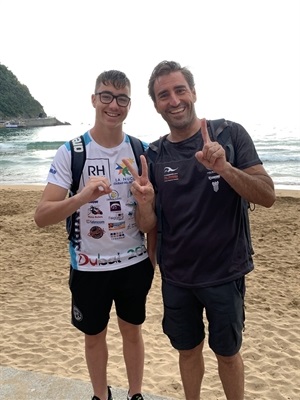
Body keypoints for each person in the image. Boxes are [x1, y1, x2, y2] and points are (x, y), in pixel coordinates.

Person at [123, 61, 276, 400]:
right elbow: (147, 226)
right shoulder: (155, 154)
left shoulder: (229, 134)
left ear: (193, 92)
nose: (174, 100)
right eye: (164, 95)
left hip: (225, 272)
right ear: (156, 104)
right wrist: (145, 201)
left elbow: (267, 196)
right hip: (177, 277)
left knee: (228, 353)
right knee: (188, 351)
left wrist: (225, 167)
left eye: (180, 90)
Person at [34, 70, 155, 400]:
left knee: (132, 331)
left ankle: (135, 394)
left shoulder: (141, 151)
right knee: (93, 336)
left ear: (129, 104)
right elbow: (42, 216)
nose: (113, 105)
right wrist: (80, 198)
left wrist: (146, 203)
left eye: (122, 99)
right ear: (93, 99)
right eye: (106, 96)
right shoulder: (71, 152)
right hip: (88, 266)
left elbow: (149, 225)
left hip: (134, 262)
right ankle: (101, 396)